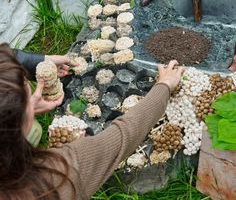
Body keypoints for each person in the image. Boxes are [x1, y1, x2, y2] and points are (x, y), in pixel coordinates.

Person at [0, 43, 184, 199]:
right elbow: (124, 135)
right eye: (28, 96)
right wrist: (165, 85)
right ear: (20, 122)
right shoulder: (58, 177)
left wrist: (35, 64)